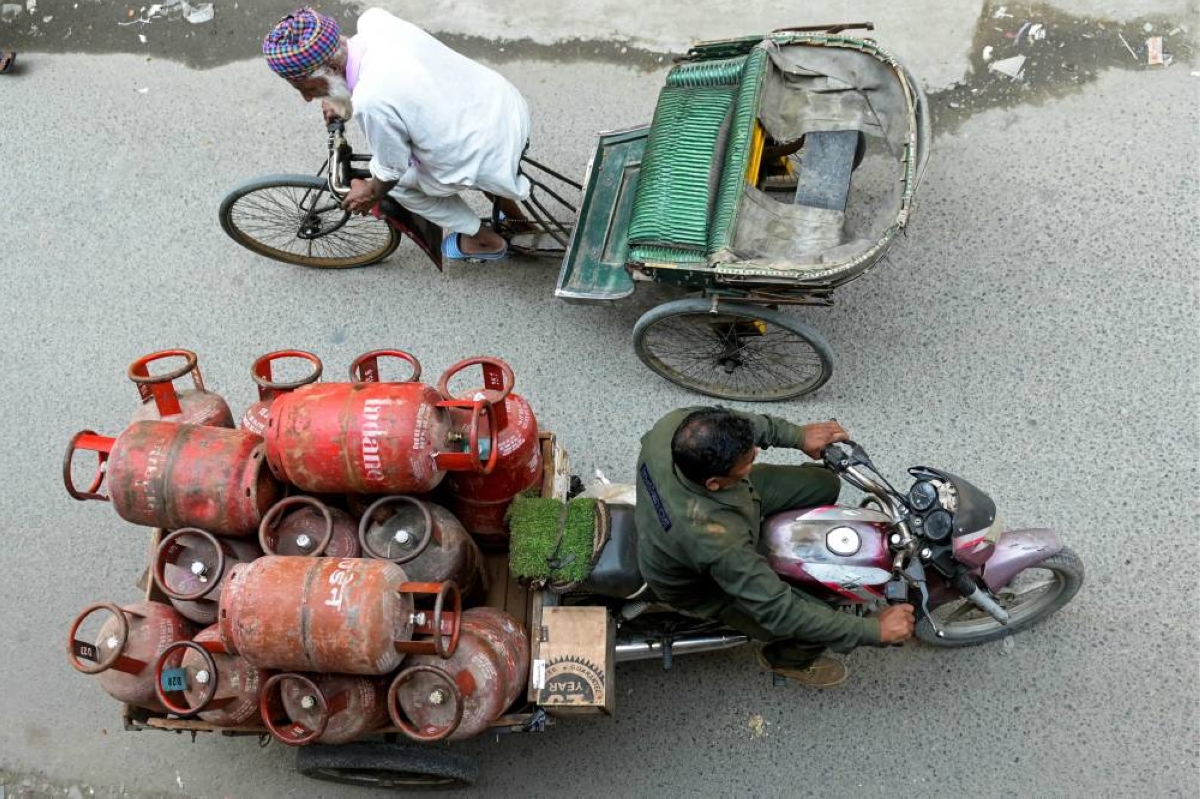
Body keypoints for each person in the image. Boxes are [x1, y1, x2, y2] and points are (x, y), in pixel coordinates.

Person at [635, 407, 915, 687]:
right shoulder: (715, 541)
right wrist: (872, 630)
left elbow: (746, 426)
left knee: (824, 484)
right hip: (702, 584)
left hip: (737, 501)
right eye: (746, 461)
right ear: (715, 483)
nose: (756, 452)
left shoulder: (677, 429)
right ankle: (786, 660)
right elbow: (780, 611)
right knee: (813, 626)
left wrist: (798, 436)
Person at [262, 7, 530, 261]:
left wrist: (370, 192)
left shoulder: (371, 101)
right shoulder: (375, 22)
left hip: (487, 151)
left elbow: (391, 169)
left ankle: (485, 241)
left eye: (306, 88)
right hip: (503, 106)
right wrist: (336, 95)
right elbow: (390, 85)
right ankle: (519, 221)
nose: (308, 98)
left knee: (400, 187)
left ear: (331, 69)